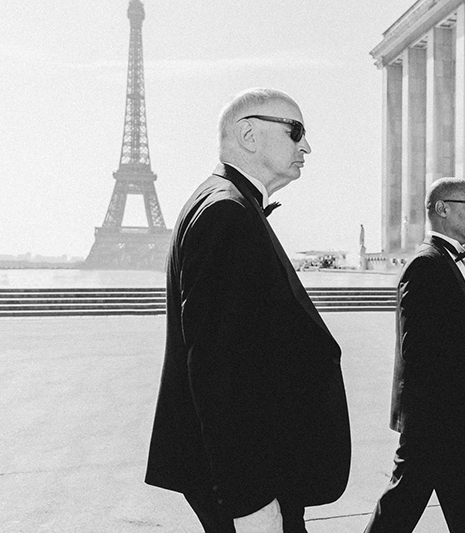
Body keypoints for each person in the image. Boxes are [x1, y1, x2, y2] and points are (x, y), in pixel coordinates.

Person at [145, 88, 351, 533]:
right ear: (248, 134)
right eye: (295, 131)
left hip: (257, 466)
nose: (307, 146)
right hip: (251, 479)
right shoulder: (227, 213)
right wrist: (250, 501)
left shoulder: (225, 203)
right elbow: (218, 368)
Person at [364, 178, 465, 533]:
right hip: (432, 418)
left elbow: (448, 336)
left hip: (452, 413)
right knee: (400, 510)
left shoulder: (446, 262)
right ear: (442, 209)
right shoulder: (427, 265)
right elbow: (418, 350)